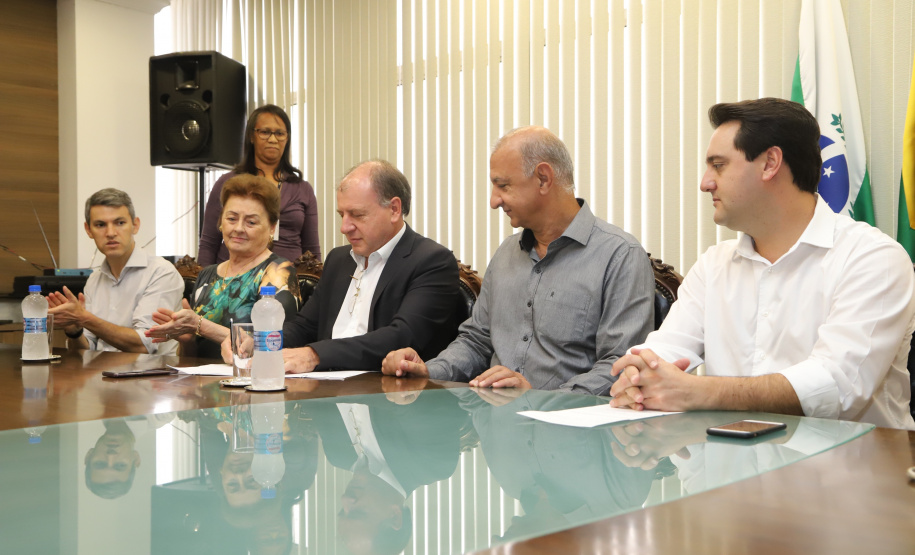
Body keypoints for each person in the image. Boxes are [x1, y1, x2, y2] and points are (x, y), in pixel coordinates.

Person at [609, 97, 915, 430]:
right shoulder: (714, 265)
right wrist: (638, 377)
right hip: (727, 472)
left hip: (845, 474)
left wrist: (697, 391)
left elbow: (835, 385)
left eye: (719, 165)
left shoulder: (873, 259)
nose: (705, 182)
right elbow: (663, 351)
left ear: (770, 163)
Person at [382, 126, 655, 395]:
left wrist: (540, 399)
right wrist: (430, 371)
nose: (493, 201)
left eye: (503, 185)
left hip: (573, 431)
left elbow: (620, 366)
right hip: (496, 426)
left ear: (543, 179)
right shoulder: (506, 253)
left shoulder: (620, 255)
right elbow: (477, 341)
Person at [262, 159, 459, 373]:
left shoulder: (432, 261)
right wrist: (260, 342)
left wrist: (315, 355)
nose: (344, 228)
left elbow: (402, 336)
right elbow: (305, 326)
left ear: (394, 209)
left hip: (386, 394)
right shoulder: (338, 260)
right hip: (323, 389)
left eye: (357, 215)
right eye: (342, 215)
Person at [148, 175, 300, 359]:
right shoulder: (207, 275)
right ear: (221, 222)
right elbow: (192, 359)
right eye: (232, 218)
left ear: (272, 228)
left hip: (251, 382)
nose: (238, 228)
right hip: (202, 383)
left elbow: (268, 344)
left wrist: (199, 324)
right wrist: (187, 340)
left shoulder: (278, 270)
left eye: (251, 222)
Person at [48, 188, 184, 354]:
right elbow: (86, 351)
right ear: (88, 230)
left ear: (135, 225)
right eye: (100, 225)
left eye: (120, 223)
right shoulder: (94, 280)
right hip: (101, 375)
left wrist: (84, 318)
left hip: (151, 375)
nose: (111, 233)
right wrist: (74, 331)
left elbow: (145, 345)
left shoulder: (161, 272)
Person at [197, 104, 321, 265]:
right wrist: (204, 286)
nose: (273, 139)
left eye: (279, 133)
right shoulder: (227, 183)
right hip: (232, 280)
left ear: (287, 138)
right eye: (265, 132)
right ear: (251, 136)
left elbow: (312, 250)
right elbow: (209, 244)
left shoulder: (303, 189)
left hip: (287, 280)